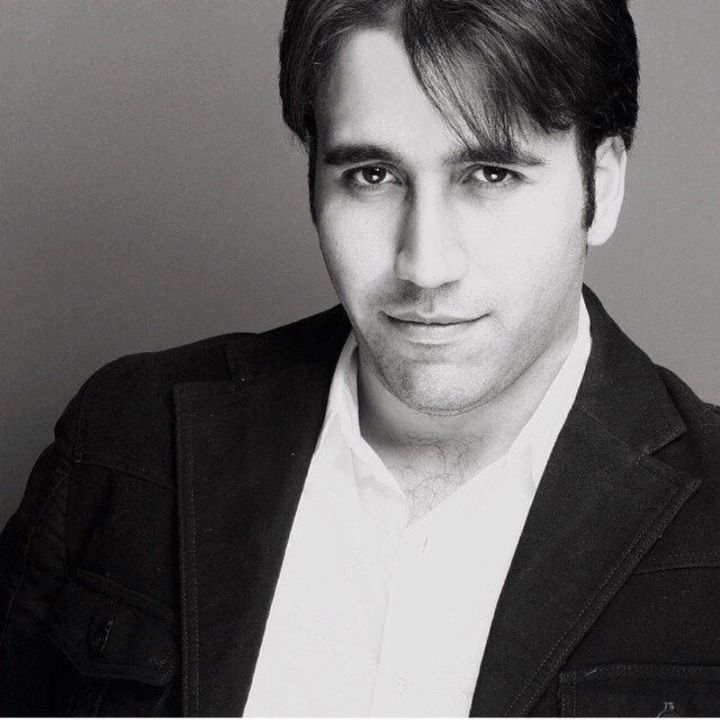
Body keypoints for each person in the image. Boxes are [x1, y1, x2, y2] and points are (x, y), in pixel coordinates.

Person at [1, 0, 719, 716]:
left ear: (603, 184)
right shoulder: (126, 440)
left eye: (491, 174)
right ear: (314, 182)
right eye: (373, 175)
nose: (425, 265)